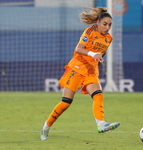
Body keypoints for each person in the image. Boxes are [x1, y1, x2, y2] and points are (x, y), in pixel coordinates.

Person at [40, 7, 120, 141]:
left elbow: (102, 51)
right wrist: (92, 53)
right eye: (105, 24)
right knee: (66, 103)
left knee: (98, 95)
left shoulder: (109, 38)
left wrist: (99, 58)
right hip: (77, 67)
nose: (107, 27)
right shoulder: (90, 31)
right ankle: (46, 127)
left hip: (91, 70)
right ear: (98, 23)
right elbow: (79, 48)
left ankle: (101, 124)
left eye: (110, 25)